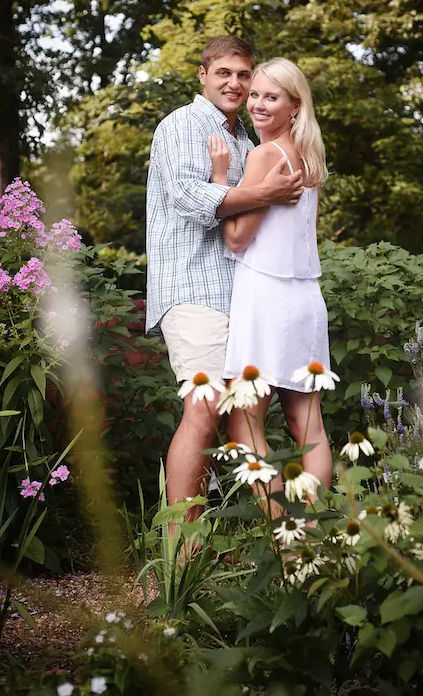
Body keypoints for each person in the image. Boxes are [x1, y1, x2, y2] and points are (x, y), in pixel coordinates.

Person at [145, 36, 303, 514]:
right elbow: (192, 200)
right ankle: (181, 553)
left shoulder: (245, 140)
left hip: (239, 295)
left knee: (242, 420)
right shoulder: (181, 125)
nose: (235, 84)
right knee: (204, 407)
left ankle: (278, 541)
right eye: (224, 74)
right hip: (193, 287)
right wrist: (266, 193)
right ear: (203, 75)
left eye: (243, 75)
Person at [208, 57, 333, 497]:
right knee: (308, 424)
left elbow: (238, 239)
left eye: (271, 97)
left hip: (265, 296)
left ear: (294, 106)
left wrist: (222, 180)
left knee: (244, 422)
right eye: (255, 94)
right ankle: (316, 536)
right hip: (305, 298)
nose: (258, 104)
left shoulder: (265, 154)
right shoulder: (309, 156)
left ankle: (283, 537)